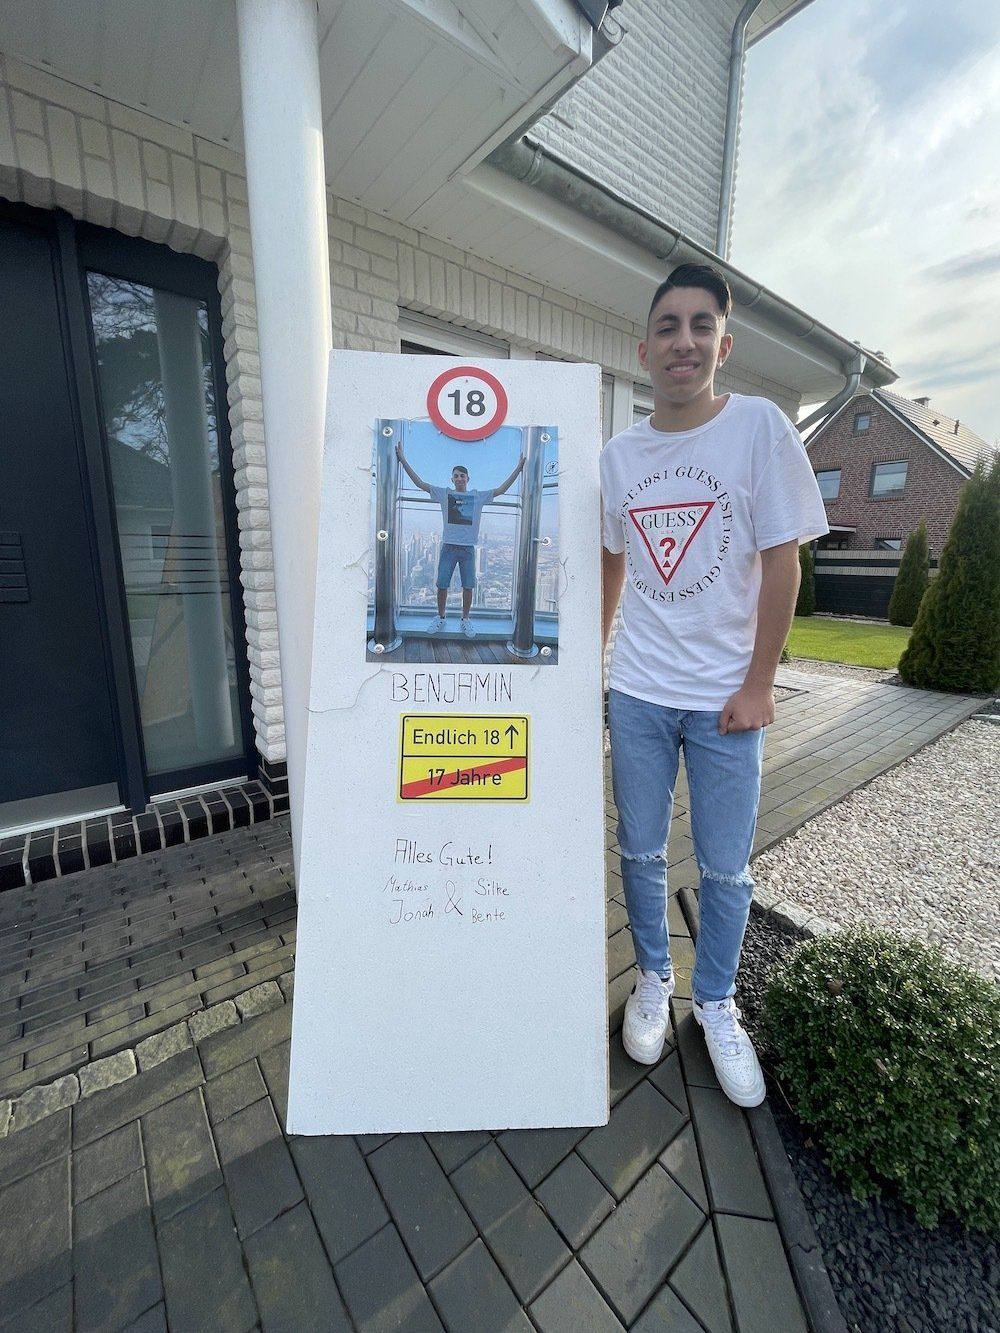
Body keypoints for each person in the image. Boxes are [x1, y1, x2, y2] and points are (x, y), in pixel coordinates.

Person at [601, 262, 828, 1106]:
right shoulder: (619, 456)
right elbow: (611, 562)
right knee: (639, 848)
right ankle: (654, 978)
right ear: (645, 348)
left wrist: (761, 681)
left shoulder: (760, 428)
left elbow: (783, 561)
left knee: (727, 867)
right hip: (639, 691)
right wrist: (595, 666)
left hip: (728, 701)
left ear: (723, 345)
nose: (684, 341)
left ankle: (717, 1001)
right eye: (668, 325)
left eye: (702, 325)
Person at [396, 442, 524, 637]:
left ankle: (465, 620)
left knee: (468, 586)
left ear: (468, 479)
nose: (459, 478)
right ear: (452, 479)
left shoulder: (478, 496)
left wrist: (519, 468)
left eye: (462, 475)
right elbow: (419, 484)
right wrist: (403, 459)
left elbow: (502, 490)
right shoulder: (444, 493)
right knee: (442, 585)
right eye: (456, 476)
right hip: (448, 547)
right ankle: (440, 617)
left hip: (468, 549)